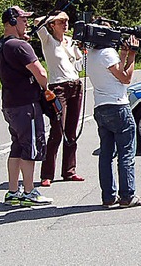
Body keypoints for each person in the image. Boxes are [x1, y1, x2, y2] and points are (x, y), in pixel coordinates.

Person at [85, 32, 141, 208]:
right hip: (118, 106)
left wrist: (123, 54)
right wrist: (133, 55)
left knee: (106, 154)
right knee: (126, 152)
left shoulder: (92, 54)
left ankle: (108, 196)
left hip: (101, 107)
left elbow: (116, 70)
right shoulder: (107, 53)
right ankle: (127, 196)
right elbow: (125, 78)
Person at [0, 6, 53, 206]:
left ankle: (13, 190)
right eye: (23, 20)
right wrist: (45, 88)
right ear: (12, 22)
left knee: (17, 146)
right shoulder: (21, 47)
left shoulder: (3, 45)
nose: (27, 23)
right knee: (30, 147)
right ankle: (29, 191)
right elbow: (41, 73)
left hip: (10, 104)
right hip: (26, 104)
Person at [35, 11, 84, 186]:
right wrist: (52, 17)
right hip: (58, 88)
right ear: (53, 24)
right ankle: (47, 174)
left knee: (71, 131)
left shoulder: (71, 42)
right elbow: (37, 22)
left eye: (67, 21)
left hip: (75, 85)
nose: (65, 24)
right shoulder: (47, 40)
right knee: (57, 130)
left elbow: (79, 65)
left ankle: (69, 171)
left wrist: (82, 55)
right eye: (61, 21)